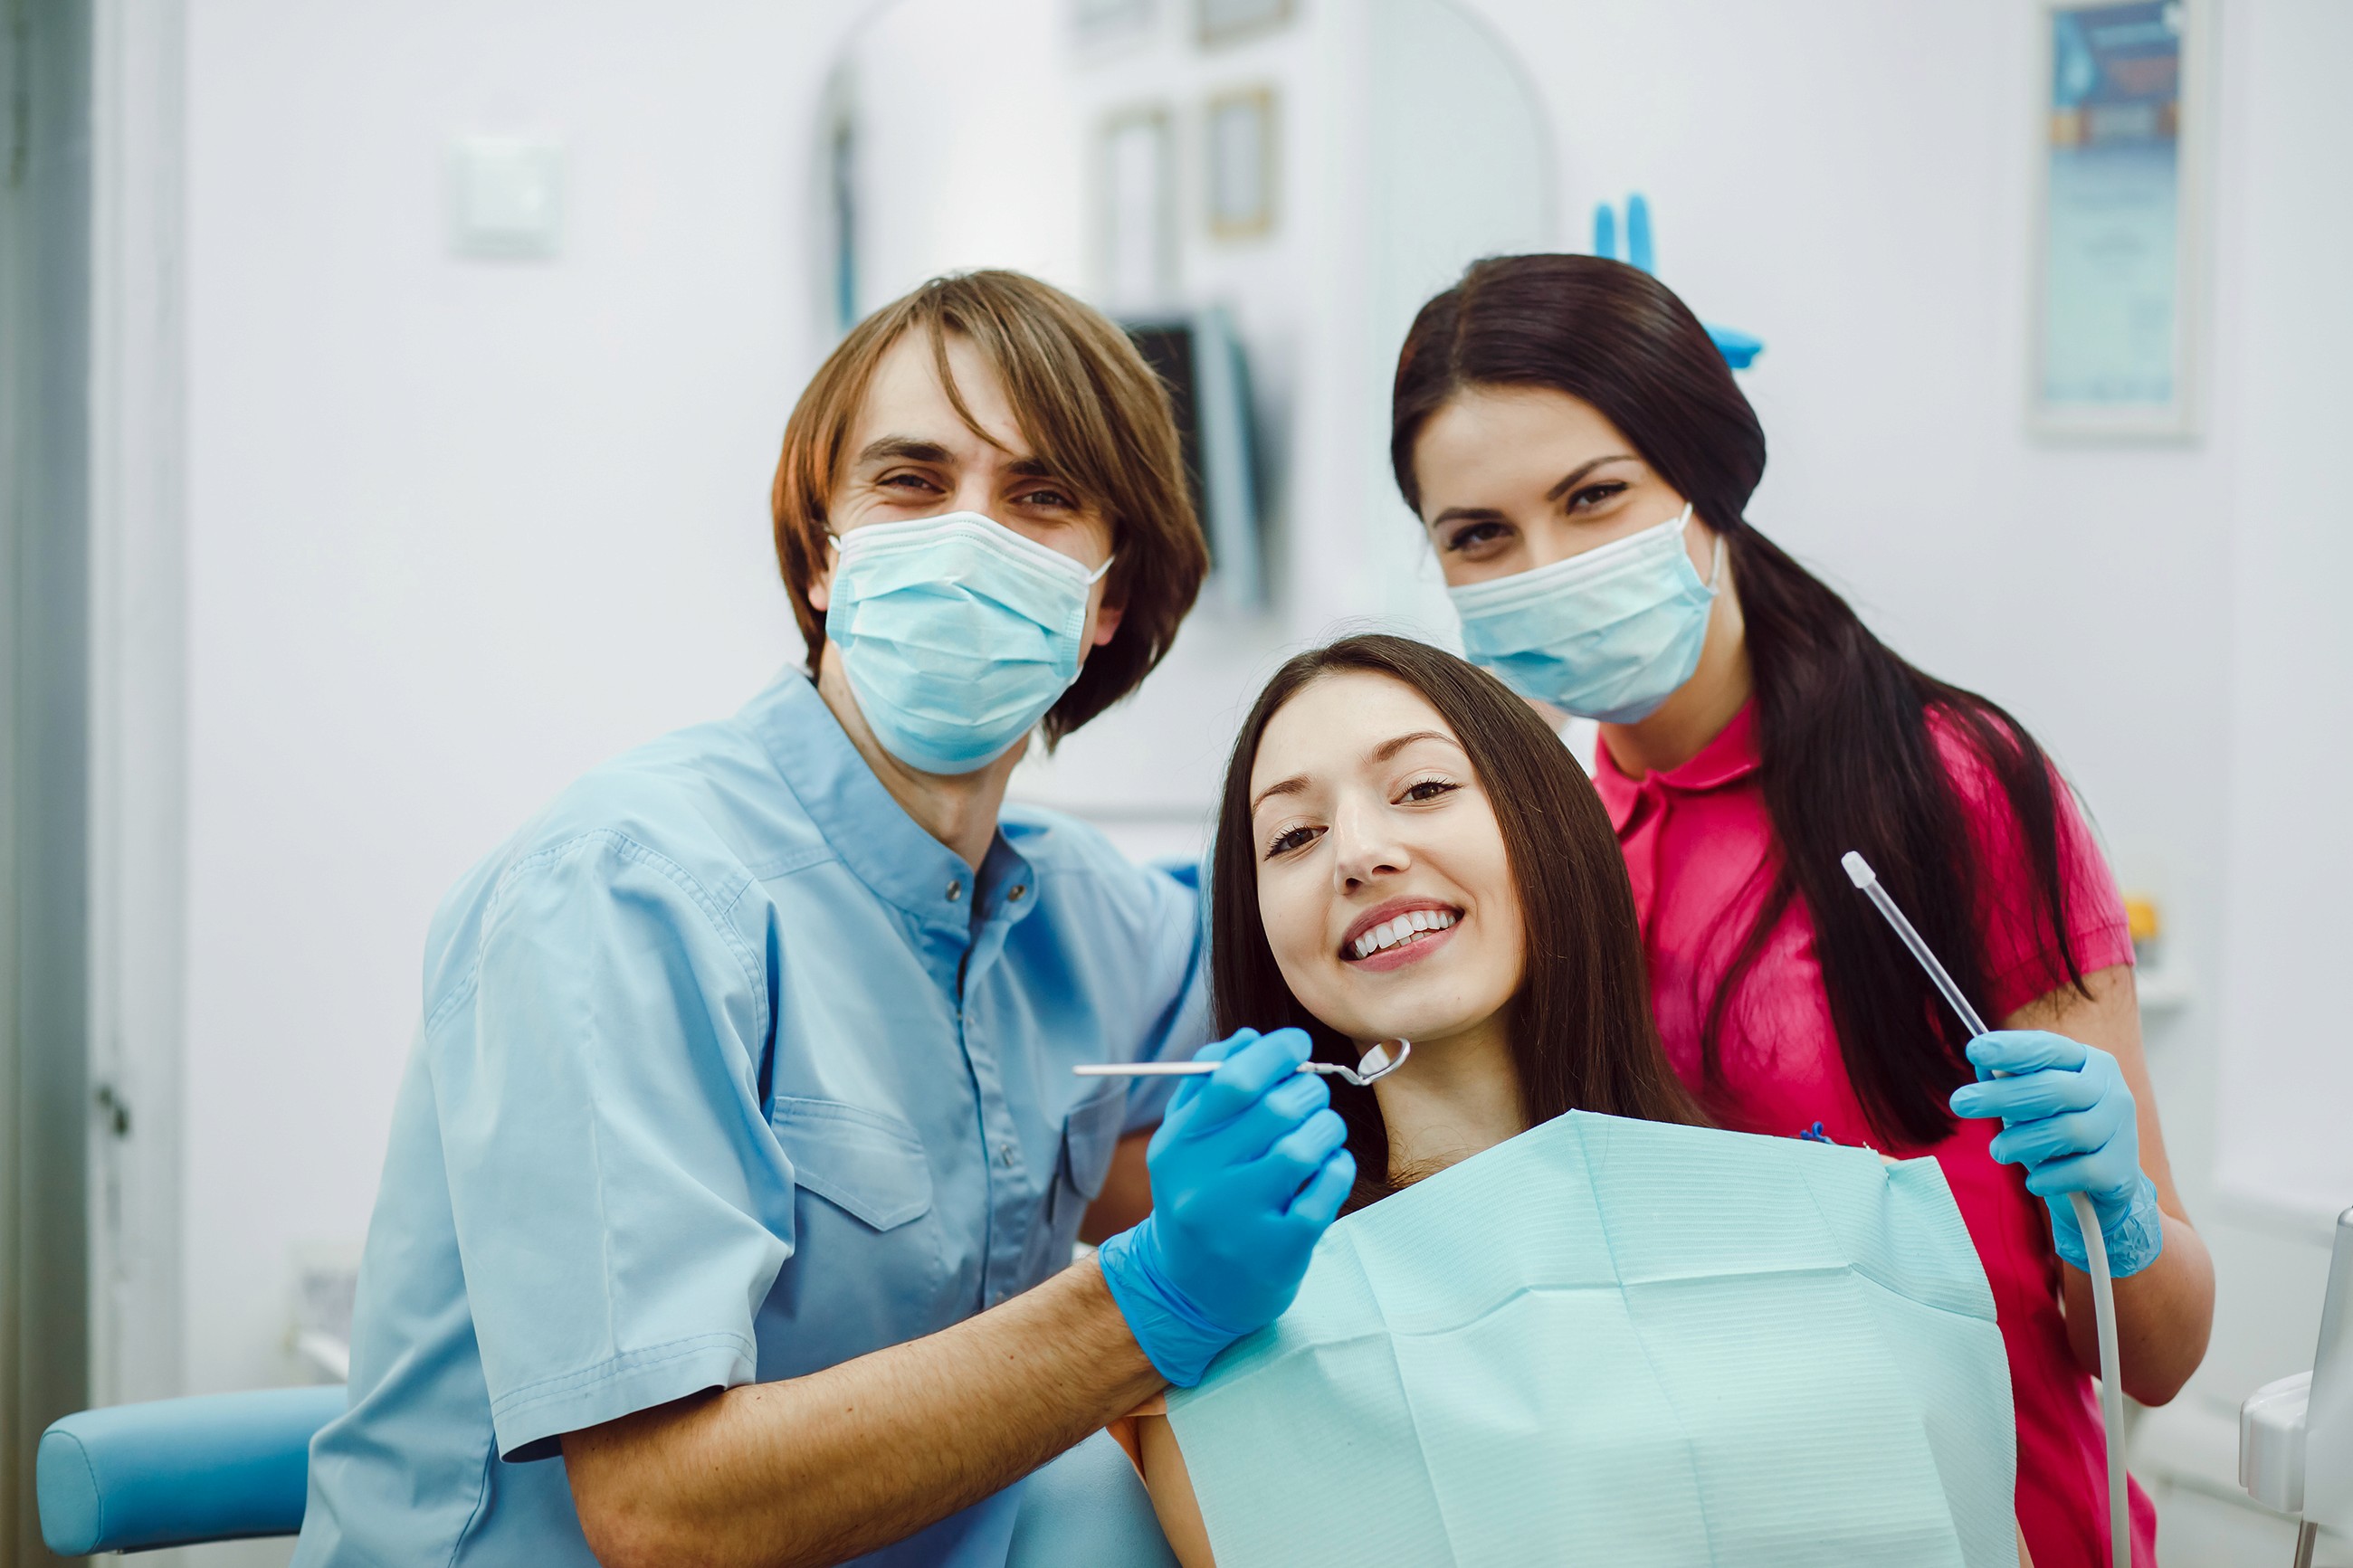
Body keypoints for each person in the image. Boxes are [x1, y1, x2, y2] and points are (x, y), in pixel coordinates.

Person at [293, 271, 1355, 1568]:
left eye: (1040, 497)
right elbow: (663, 1509)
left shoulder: (1095, 923)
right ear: (819, 560)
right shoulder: (629, 891)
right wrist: (1152, 1300)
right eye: (911, 482)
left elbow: (1283, 1146)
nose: (970, 538)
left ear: (1108, 606)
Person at [1386, 253, 2214, 1567]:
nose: (1547, 565)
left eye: (1594, 496)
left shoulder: (1952, 787)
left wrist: (2114, 1214)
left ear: (1710, 487)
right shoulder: (1540, 850)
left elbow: (2157, 1359)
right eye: (1480, 534)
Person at [1114, 632, 2040, 1567]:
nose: (1357, 852)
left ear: (1546, 820)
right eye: (1293, 836)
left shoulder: (1829, 1225)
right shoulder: (1235, 1335)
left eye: (1422, 788)